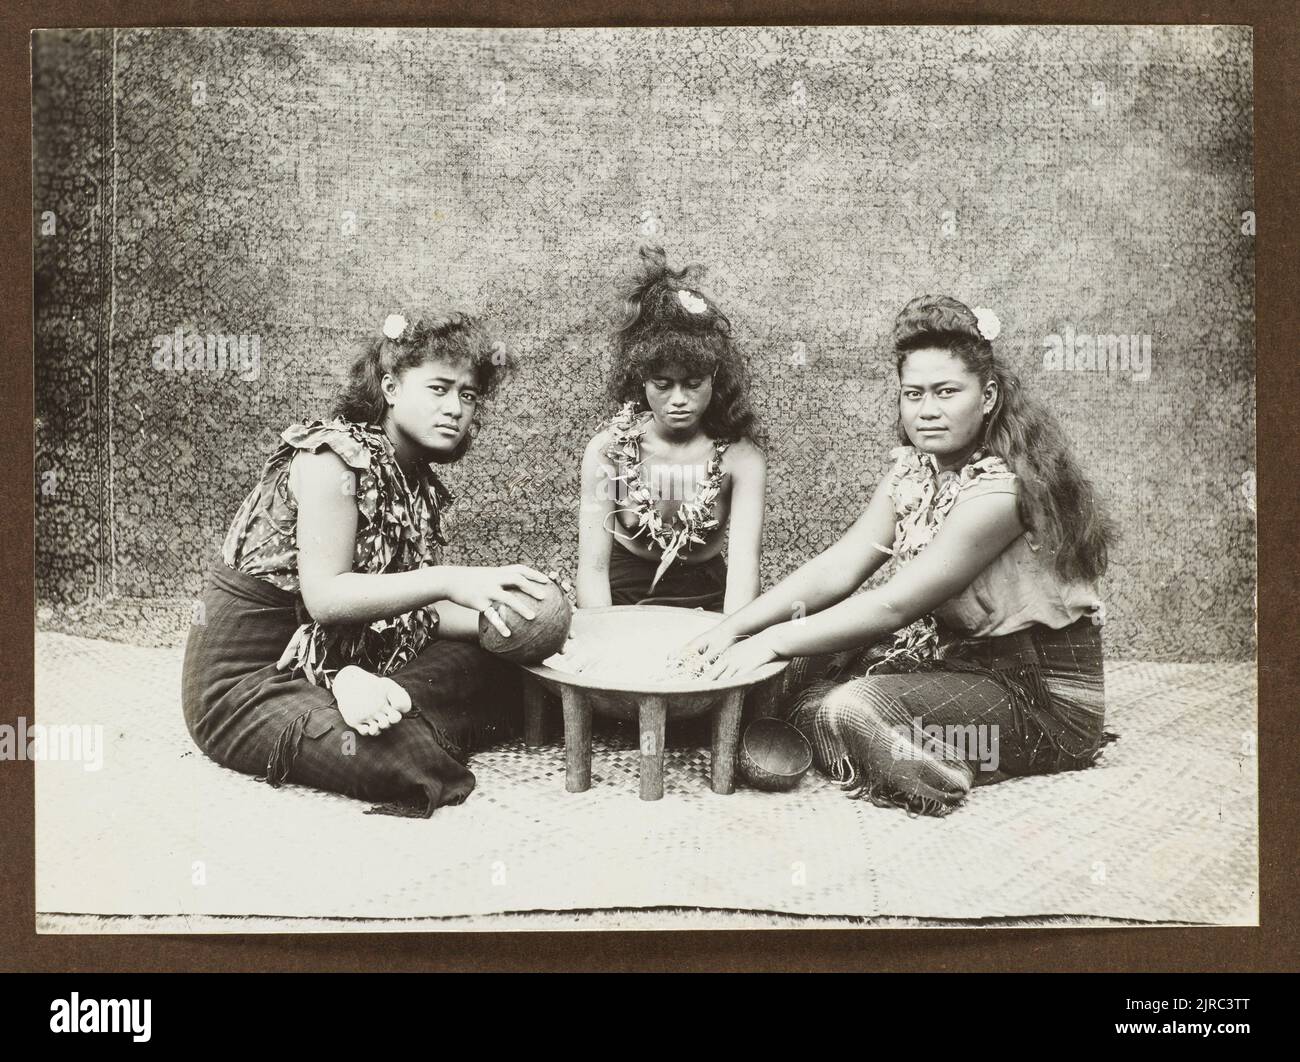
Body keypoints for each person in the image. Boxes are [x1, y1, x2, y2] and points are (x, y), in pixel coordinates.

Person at [684, 295, 1116, 816]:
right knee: (799, 663)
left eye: (947, 392)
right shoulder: (913, 470)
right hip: (959, 661)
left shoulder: (1002, 492)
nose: (927, 410)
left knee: (849, 704)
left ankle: (932, 759)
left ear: (988, 395)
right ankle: (883, 733)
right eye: (914, 394)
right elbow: (840, 568)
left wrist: (771, 641)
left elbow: (895, 606)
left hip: (1042, 699)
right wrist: (735, 629)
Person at [182, 309, 556, 816]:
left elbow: (406, 612)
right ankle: (353, 693)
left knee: (511, 666)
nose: (456, 408)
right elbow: (328, 599)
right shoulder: (330, 459)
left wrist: (512, 619)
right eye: (439, 388)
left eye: (468, 395)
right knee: (409, 760)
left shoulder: (411, 474)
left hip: (350, 648)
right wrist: (450, 579)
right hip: (255, 676)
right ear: (391, 387)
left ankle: (375, 690)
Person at [576, 246, 766, 614]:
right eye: (663, 384)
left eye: (693, 383)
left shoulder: (743, 459)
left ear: (714, 378)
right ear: (641, 380)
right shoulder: (606, 450)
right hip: (620, 599)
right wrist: (603, 636)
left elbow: (744, 573)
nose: (678, 399)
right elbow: (594, 569)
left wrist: (727, 642)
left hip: (706, 598)